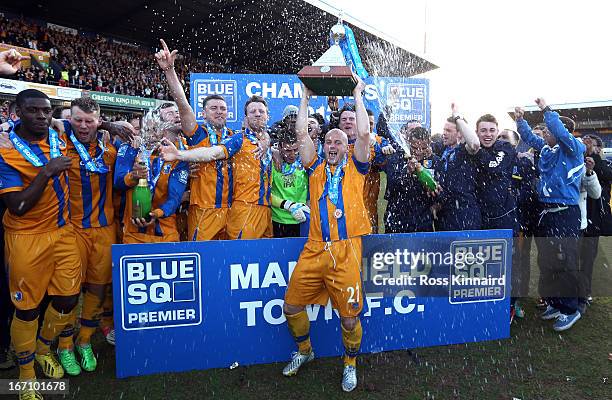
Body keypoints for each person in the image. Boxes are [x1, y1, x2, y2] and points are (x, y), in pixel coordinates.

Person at [281, 78, 371, 392]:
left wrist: (357, 94)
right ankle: (305, 351)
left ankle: (349, 364)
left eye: (338, 143)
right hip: (315, 249)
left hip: (346, 251)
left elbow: (362, 132)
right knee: (290, 306)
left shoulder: (358, 168)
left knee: (349, 319)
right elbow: (301, 133)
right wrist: (304, 97)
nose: (332, 147)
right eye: (329, 143)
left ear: (347, 148)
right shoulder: (314, 167)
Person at [0, 89, 81, 399]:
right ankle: (26, 376)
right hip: (26, 237)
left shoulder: (57, 133)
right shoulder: (5, 150)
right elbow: (17, 206)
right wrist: (46, 172)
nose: (42, 117)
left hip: (63, 232)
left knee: (68, 299)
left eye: (46, 111)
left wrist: (110, 126)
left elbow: (81, 123)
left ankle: (44, 348)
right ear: (16, 112)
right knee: (27, 309)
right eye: (33, 111)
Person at [54, 97, 117, 375]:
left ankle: (84, 341)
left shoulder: (110, 148)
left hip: (105, 229)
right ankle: (64, 345)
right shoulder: (59, 142)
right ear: (69, 119)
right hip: (72, 229)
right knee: (68, 292)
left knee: (97, 288)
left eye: (89, 120)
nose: (82, 125)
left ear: (98, 121)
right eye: (77, 119)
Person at [155, 39, 241, 241]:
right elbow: (182, 104)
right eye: (214, 108)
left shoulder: (235, 136)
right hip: (203, 211)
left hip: (232, 210)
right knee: (203, 263)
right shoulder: (197, 133)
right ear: (203, 113)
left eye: (223, 108)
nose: (219, 112)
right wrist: (169, 71)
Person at [515, 98, 585, 332]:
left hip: (565, 212)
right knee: (548, 262)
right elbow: (529, 138)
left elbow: (557, 130)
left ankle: (571, 309)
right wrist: (520, 120)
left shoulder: (573, 148)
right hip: (548, 213)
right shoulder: (547, 149)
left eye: (547, 130)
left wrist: (546, 110)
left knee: (564, 263)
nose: (544, 133)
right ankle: (556, 303)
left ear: (560, 132)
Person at [114, 110, 189, 244]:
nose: (152, 133)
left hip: (166, 233)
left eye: (157, 128)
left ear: (165, 131)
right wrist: (133, 176)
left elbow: (175, 197)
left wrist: (157, 213)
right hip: (134, 233)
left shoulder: (177, 156)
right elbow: (118, 183)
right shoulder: (131, 149)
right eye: (147, 129)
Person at [382, 126, 440, 233]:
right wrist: (407, 172)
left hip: (422, 223)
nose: (418, 152)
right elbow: (392, 187)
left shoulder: (434, 161)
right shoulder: (396, 158)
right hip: (397, 222)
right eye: (414, 147)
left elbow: (441, 190)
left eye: (423, 148)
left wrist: (436, 199)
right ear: (408, 142)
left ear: (428, 144)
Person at [433, 111, 481, 231]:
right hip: (444, 216)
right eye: (444, 129)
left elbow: (475, 144)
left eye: (449, 131)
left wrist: (458, 118)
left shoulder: (465, 151)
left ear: (460, 133)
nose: (444, 133)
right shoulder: (443, 152)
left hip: (464, 215)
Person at [270, 131, 309, 238]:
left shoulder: (307, 163)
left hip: (303, 218)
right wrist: (289, 205)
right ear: (280, 148)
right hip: (279, 220)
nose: (292, 155)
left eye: (295, 150)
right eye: (288, 150)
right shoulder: (273, 165)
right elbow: (266, 194)